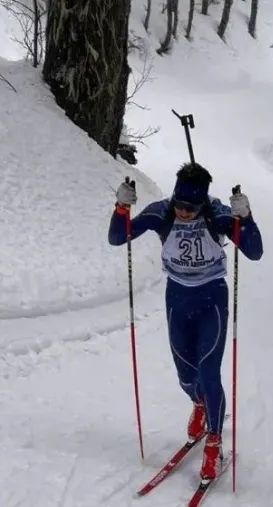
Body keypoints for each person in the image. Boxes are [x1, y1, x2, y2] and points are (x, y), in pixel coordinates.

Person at [108, 162, 264, 481]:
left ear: (203, 202)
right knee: (186, 376)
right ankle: (199, 404)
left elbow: (254, 251)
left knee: (209, 372)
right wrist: (122, 207)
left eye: (191, 208)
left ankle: (214, 444)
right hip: (178, 300)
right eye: (180, 204)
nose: (184, 212)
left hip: (211, 301)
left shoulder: (217, 214)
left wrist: (245, 218)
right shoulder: (162, 212)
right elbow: (117, 237)